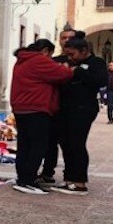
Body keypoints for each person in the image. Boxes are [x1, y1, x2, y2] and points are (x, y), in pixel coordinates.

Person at [9, 41, 75, 195]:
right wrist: (68, 67)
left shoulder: (22, 60)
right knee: (38, 145)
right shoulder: (39, 59)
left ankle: (22, 177)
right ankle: (28, 179)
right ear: (46, 50)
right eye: (50, 55)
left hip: (21, 107)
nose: (51, 58)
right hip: (36, 107)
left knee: (25, 144)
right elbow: (64, 74)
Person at [51, 37, 108, 195]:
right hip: (64, 108)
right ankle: (69, 179)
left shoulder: (96, 63)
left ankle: (80, 182)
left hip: (83, 108)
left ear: (84, 51)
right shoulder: (65, 61)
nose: (70, 58)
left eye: (72, 54)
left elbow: (101, 81)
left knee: (77, 143)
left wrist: (79, 71)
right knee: (66, 144)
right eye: (67, 54)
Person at [40, 31, 79, 186]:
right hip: (54, 106)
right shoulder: (53, 61)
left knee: (70, 143)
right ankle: (47, 172)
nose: (67, 40)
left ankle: (70, 175)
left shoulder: (83, 61)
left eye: (70, 38)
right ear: (59, 40)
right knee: (50, 142)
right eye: (64, 38)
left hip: (74, 108)